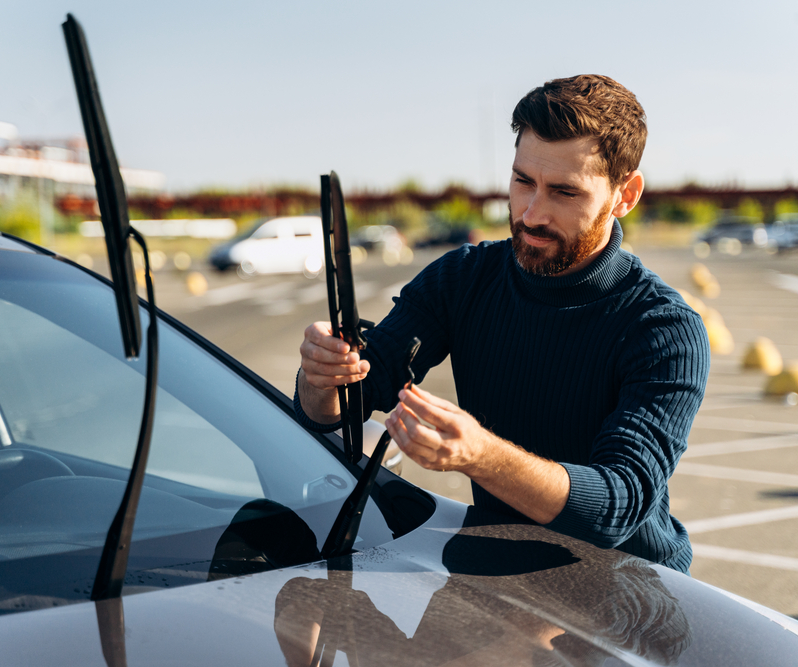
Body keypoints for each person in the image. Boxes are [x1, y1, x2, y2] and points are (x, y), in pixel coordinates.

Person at [294, 74, 709, 573]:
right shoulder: (462, 278)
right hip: (496, 571)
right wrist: (321, 378)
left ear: (625, 195)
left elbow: (616, 504)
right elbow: (353, 397)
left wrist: (481, 455)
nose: (532, 214)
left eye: (564, 193)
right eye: (522, 182)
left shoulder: (663, 329)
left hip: (628, 589)